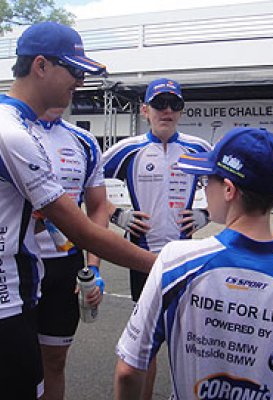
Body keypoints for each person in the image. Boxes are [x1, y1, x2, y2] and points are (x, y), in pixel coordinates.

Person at [113, 127, 273, 400]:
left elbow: (129, 370)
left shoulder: (176, 261)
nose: (203, 187)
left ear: (229, 190)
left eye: (207, 179)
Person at [0, 21, 155, 399]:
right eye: (74, 69)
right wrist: (165, 264)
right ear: (40, 66)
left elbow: (92, 210)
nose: (80, 81)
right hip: (8, 295)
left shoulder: (20, 127)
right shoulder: (13, 132)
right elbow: (80, 228)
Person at [103, 78, 211, 399]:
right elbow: (86, 182)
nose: (167, 110)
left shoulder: (198, 148)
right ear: (144, 109)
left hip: (185, 260)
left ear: (181, 110)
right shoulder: (128, 149)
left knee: (190, 340)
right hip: (142, 260)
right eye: (159, 103)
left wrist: (207, 215)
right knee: (144, 348)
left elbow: (232, 188)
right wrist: (118, 215)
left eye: (174, 104)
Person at [34, 107, 107, 400]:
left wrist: (94, 268)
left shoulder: (84, 141)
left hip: (66, 266)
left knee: (55, 361)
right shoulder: (11, 130)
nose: (74, 84)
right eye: (70, 73)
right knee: (16, 363)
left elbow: (98, 206)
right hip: (18, 263)